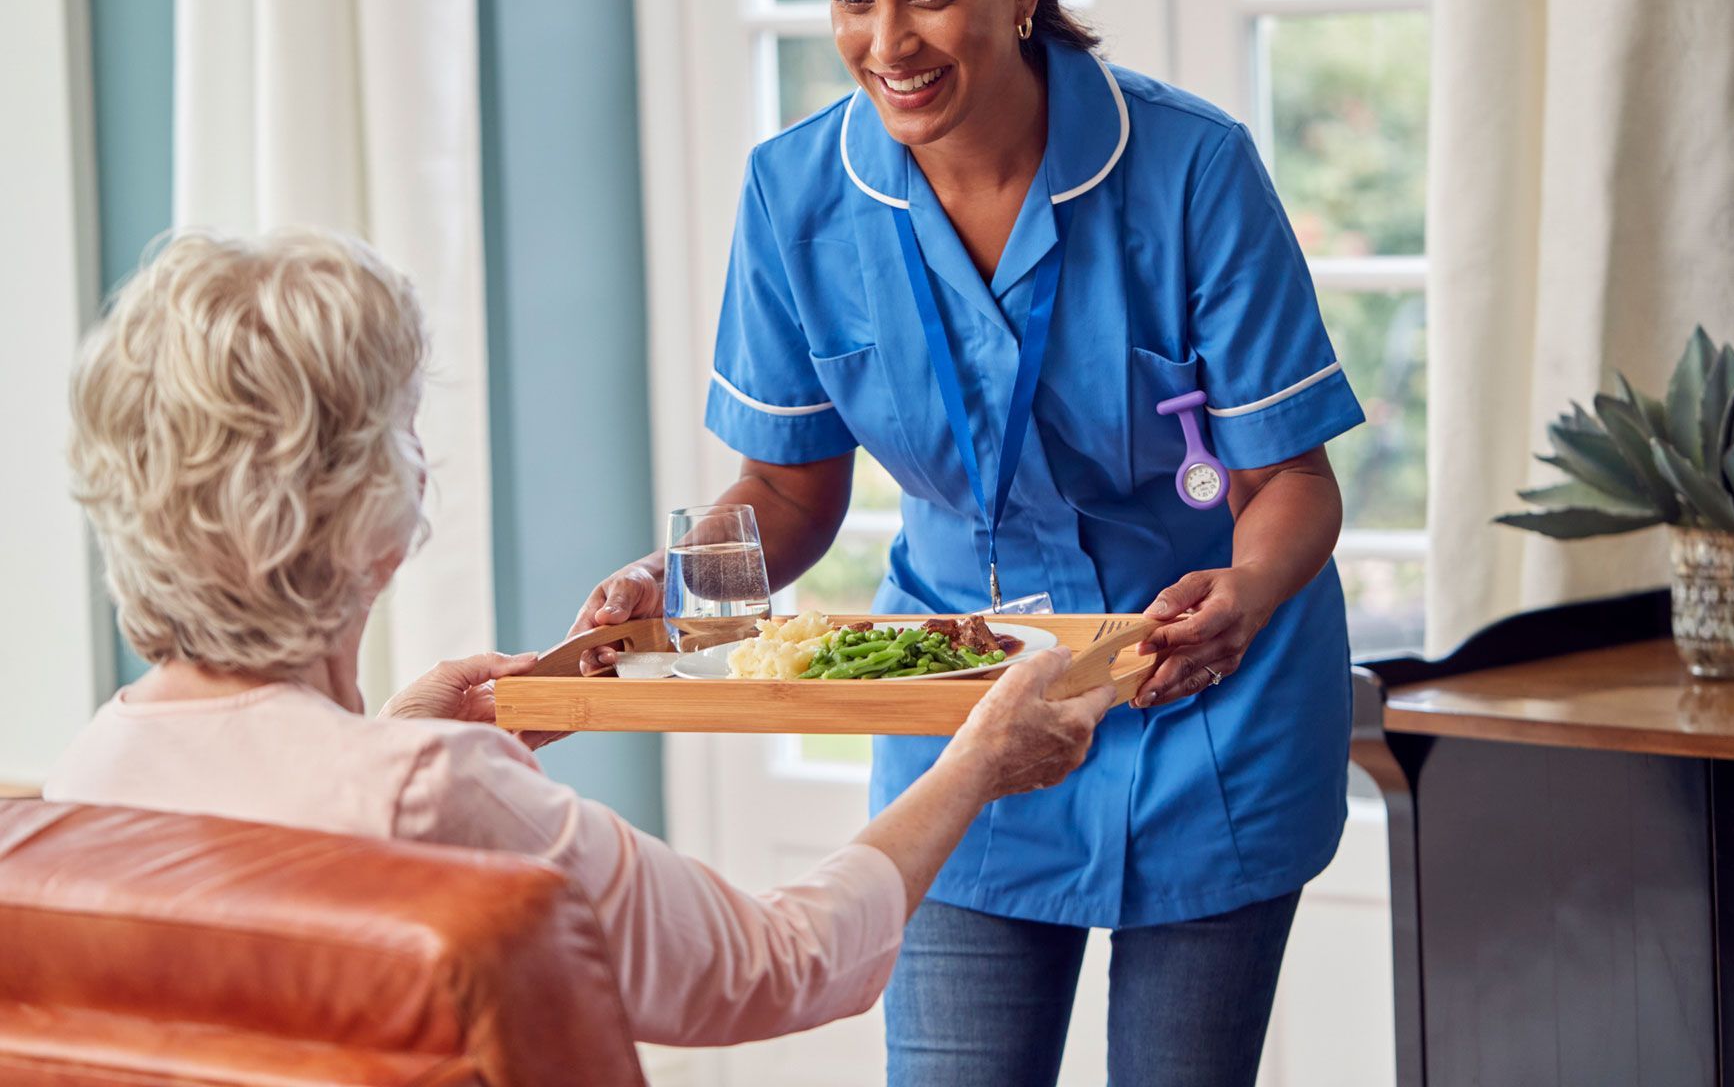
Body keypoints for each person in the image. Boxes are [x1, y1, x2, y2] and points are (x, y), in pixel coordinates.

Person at [569, 0, 1367, 1082]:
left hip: (1204, 704)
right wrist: (671, 587)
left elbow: (1292, 484)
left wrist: (1248, 590)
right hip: (965, 710)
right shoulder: (797, 197)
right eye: (852, 0)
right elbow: (786, 487)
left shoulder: (1193, 170)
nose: (888, 45)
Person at [43, 227, 1111, 1053]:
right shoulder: (436, 792)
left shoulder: (94, 775)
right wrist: (974, 763)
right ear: (360, 505)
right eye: (402, 427)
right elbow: (777, 962)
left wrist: (381, 733)